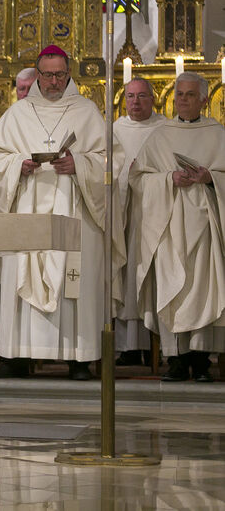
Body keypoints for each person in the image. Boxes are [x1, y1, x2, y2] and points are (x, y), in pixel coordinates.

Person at [0, 44, 106, 381]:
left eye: (59, 74)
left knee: (72, 280)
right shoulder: (18, 113)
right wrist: (16, 165)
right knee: (23, 270)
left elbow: (110, 162)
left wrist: (80, 163)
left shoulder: (87, 111)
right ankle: (17, 356)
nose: (53, 81)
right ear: (37, 74)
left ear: (69, 74)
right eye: (47, 74)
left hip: (74, 210)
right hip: (27, 211)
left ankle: (78, 358)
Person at [130, 72, 225, 382]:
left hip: (205, 224)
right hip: (168, 223)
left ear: (204, 99)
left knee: (201, 291)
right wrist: (168, 179)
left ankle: (200, 360)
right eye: (179, 94)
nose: (182, 99)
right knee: (173, 287)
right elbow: (138, 178)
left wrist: (210, 177)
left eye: (189, 94)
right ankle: (176, 360)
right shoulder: (160, 134)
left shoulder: (218, 134)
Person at [112, 78, 164, 366]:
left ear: (153, 99)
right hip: (123, 211)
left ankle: (152, 341)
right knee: (125, 274)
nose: (135, 102)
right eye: (130, 96)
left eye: (142, 96)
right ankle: (127, 346)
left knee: (148, 276)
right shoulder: (115, 130)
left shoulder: (164, 129)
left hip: (152, 212)